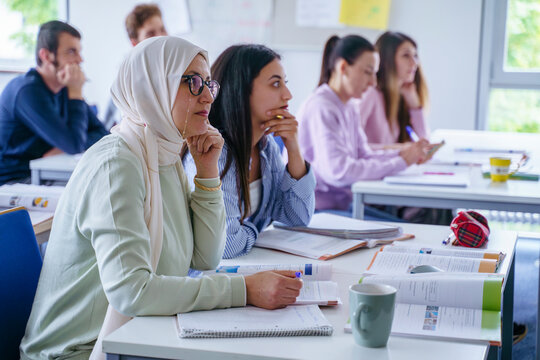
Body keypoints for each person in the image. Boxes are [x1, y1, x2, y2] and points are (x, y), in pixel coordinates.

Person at [20, 36, 302, 360]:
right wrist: (245, 289)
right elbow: (133, 291)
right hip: (77, 352)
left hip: (136, 334)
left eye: (209, 83)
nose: (208, 95)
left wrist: (207, 172)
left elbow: (205, 257)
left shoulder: (164, 154)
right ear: (152, 85)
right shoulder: (118, 163)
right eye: (193, 82)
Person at [183, 44, 316, 258]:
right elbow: (227, 245)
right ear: (242, 90)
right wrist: (258, 231)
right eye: (275, 84)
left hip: (247, 265)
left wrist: (293, 147)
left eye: (285, 83)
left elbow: (298, 217)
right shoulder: (214, 151)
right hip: (214, 278)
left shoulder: (266, 148)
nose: (288, 95)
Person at [297, 35, 428, 214]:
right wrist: (401, 161)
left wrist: (402, 154)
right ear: (343, 67)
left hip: (341, 205)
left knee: (402, 228)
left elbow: (363, 154)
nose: (373, 82)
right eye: (368, 72)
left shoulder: (349, 104)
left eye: (375, 73)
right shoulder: (322, 106)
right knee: (401, 231)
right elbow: (340, 172)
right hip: (316, 210)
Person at [0, 20, 108, 185]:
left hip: (46, 173)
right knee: (91, 187)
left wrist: (61, 149)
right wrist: (76, 92)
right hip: (16, 181)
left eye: (79, 52)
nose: (80, 60)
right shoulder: (27, 91)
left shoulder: (64, 88)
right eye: (71, 52)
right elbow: (74, 145)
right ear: (46, 56)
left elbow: (102, 133)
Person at [102, 3, 168, 130]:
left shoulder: (174, 66)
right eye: (151, 34)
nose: (161, 37)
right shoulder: (128, 77)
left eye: (162, 29)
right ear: (135, 43)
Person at [358, 31, 429, 149]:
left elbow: (424, 143)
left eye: (415, 56)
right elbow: (353, 146)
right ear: (387, 60)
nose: (414, 63)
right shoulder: (371, 94)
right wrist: (398, 149)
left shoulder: (402, 95)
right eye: (406, 55)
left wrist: (414, 105)